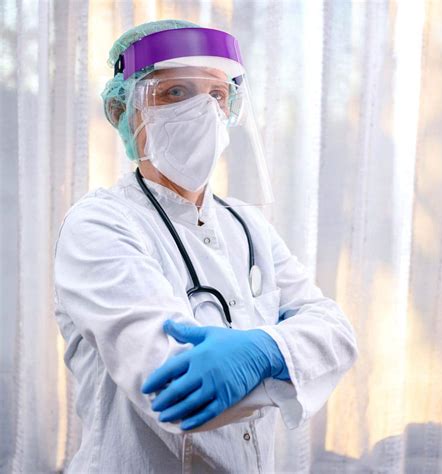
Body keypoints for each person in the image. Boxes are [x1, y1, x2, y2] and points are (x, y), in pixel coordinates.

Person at [53, 19, 359, 473]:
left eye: (216, 95)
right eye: (175, 92)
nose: (202, 110)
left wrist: (263, 351)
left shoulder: (247, 224)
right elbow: (173, 389)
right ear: (124, 111)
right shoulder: (99, 224)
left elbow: (338, 333)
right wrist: (290, 357)